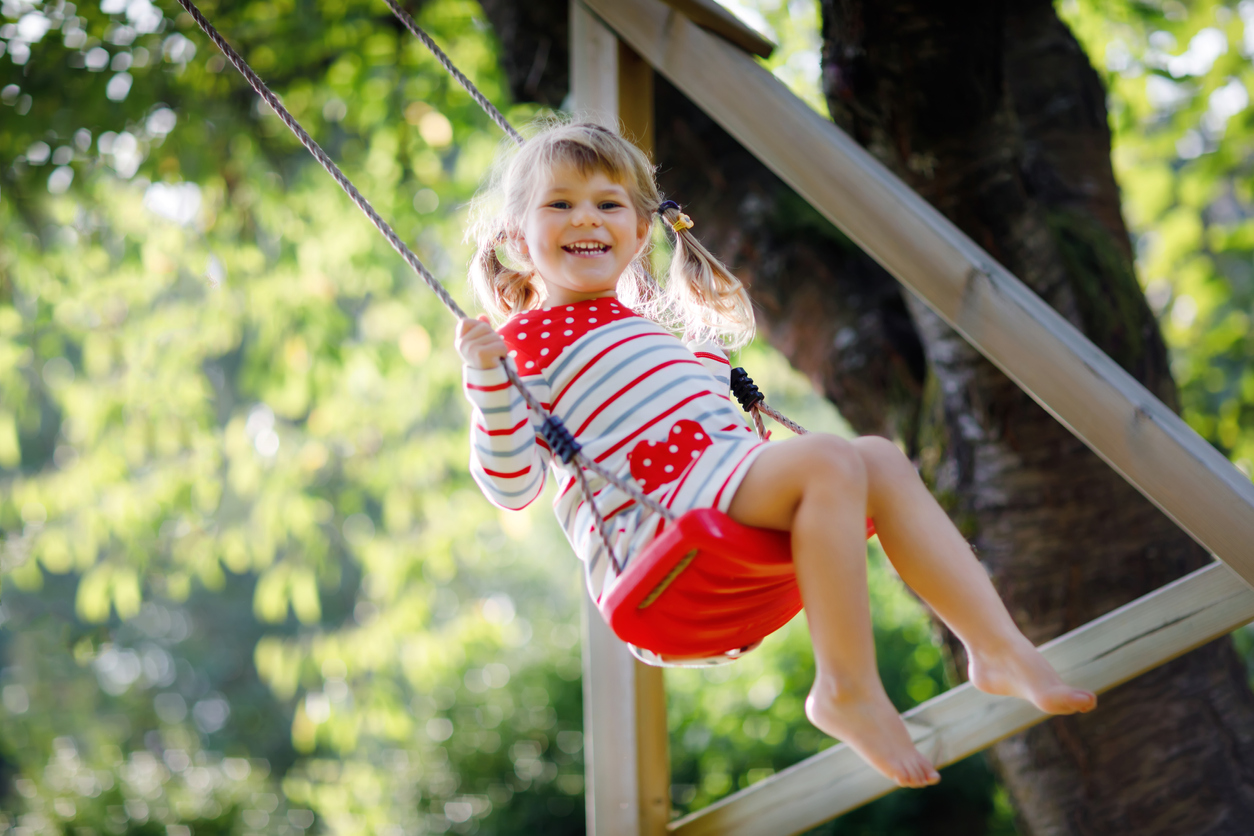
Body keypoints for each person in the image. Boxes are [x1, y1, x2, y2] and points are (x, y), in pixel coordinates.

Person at [454, 119, 1095, 789]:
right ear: (517, 239)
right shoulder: (522, 346)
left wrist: (707, 363)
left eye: (608, 203)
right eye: (560, 203)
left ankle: (995, 646)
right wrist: (486, 383)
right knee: (828, 460)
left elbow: (697, 413)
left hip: (718, 488)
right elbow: (511, 482)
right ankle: (845, 688)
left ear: (640, 232)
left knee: (878, 456)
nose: (586, 217)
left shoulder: (649, 330)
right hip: (655, 531)